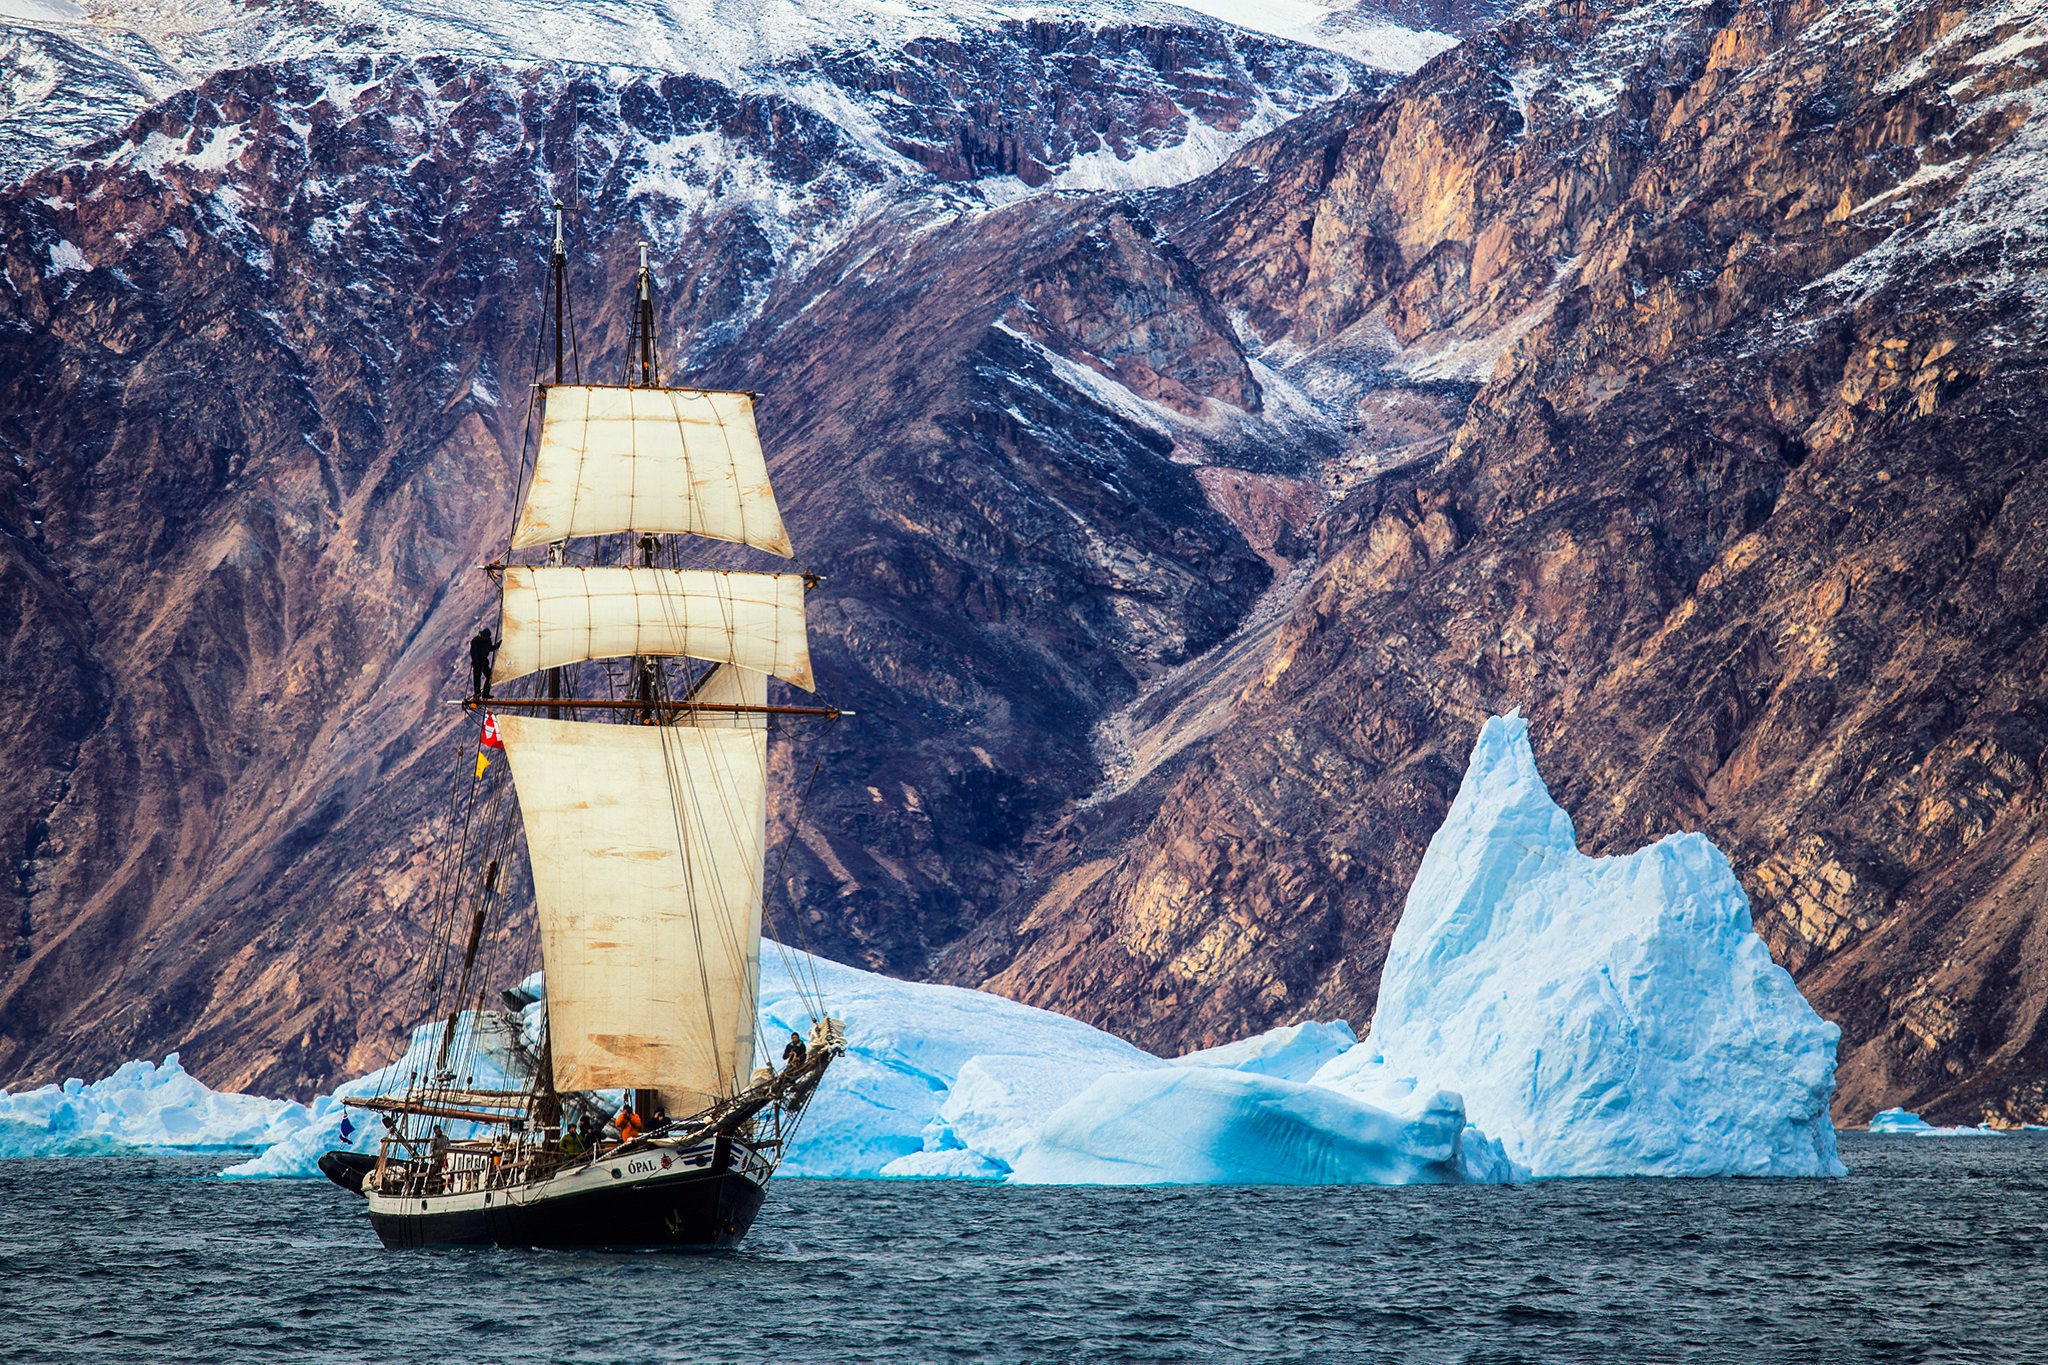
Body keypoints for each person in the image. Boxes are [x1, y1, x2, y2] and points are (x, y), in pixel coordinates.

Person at [468, 628, 498, 700]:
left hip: (484, 662)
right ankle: (477, 694)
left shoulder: (487, 641)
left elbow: (490, 648)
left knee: (490, 676)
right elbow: (473, 652)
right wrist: (476, 662)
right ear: (483, 635)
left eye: (488, 637)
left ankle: (485, 693)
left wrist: (497, 645)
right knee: (477, 679)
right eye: (486, 637)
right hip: (477, 663)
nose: (487, 638)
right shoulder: (476, 640)